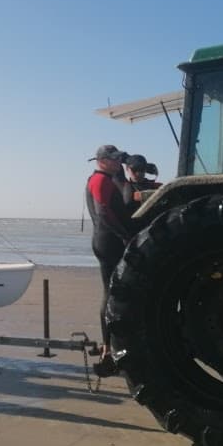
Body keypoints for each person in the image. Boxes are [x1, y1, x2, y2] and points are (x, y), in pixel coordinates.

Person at [86, 145, 137, 377]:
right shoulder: (99, 180)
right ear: (102, 160)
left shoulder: (108, 178)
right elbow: (104, 213)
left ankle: (111, 346)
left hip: (109, 240)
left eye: (119, 159)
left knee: (114, 292)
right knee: (109, 293)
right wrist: (125, 235)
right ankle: (107, 348)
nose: (118, 163)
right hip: (107, 242)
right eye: (114, 159)